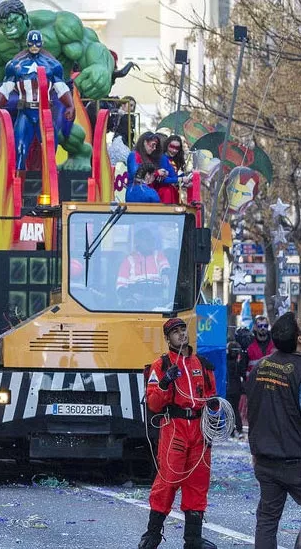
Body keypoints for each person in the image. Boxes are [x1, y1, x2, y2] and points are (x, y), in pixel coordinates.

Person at [138, 318, 217, 549]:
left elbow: (212, 396)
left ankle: (193, 539)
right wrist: (164, 383)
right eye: (175, 332)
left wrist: (213, 415)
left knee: (198, 482)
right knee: (168, 480)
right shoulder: (161, 365)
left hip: (199, 429)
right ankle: (152, 534)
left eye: (183, 329)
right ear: (167, 338)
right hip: (175, 427)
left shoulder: (202, 364)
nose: (181, 334)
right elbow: (153, 403)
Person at [246, 312, 301, 549]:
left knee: (267, 521)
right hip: (296, 459)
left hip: (265, 459)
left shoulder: (260, 367)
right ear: (298, 339)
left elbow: (252, 410)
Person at [0, 30, 75, 171]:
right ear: (27, 43)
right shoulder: (15, 65)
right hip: (25, 112)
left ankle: (49, 189)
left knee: (50, 153)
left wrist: (70, 105)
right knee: (20, 150)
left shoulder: (52, 65)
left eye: (37, 44)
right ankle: (18, 187)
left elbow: (61, 87)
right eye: (32, 44)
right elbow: (6, 87)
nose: (34, 47)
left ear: (42, 44)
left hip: (45, 113)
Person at [116, 229, 171, 308]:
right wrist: (130, 295)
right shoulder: (129, 259)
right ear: (138, 242)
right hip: (136, 300)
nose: (151, 242)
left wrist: (165, 274)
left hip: (157, 298)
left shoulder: (158, 255)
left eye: (151, 239)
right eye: (147, 239)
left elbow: (164, 265)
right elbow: (120, 286)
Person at [126, 132, 177, 199]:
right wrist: (157, 173)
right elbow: (136, 174)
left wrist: (162, 174)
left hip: (147, 191)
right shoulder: (134, 155)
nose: (154, 148)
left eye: (156, 146)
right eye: (153, 145)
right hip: (137, 192)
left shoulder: (148, 158)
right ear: (145, 142)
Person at [159, 134, 192, 204]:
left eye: (177, 148)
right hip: (165, 194)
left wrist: (184, 183)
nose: (174, 150)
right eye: (172, 147)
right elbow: (163, 180)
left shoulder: (173, 160)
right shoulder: (163, 158)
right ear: (167, 145)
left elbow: (173, 179)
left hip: (173, 192)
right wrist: (181, 179)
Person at [226, 339, 247, 439]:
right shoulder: (238, 362)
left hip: (231, 388)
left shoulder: (228, 362)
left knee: (231, 410)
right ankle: (237, 429)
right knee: (234, 410)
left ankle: (234, 429)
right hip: (235, 388)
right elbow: (243, 373)